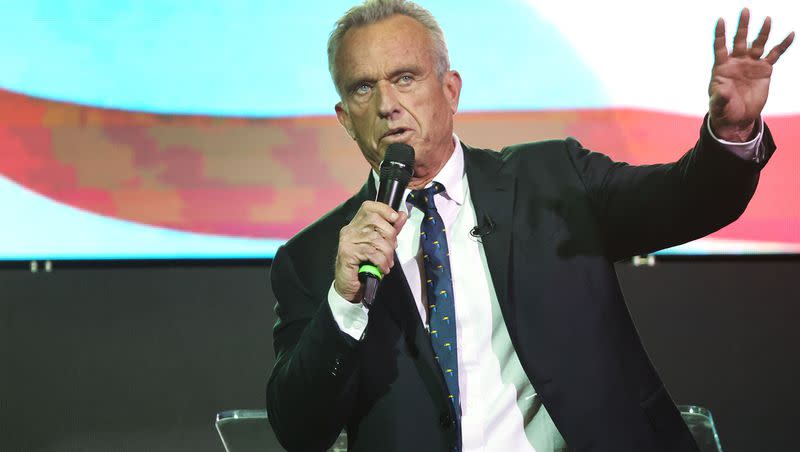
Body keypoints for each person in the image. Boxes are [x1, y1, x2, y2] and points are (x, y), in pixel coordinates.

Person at [266, 1, 794, 451]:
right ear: (342, 116)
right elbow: (299, 428)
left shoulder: (551, 178)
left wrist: (732, 131)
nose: (386, 105)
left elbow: (685, 201)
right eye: (363, 88)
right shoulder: (313, 258)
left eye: (406, 78)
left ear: (450, 90)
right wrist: (344, 302)